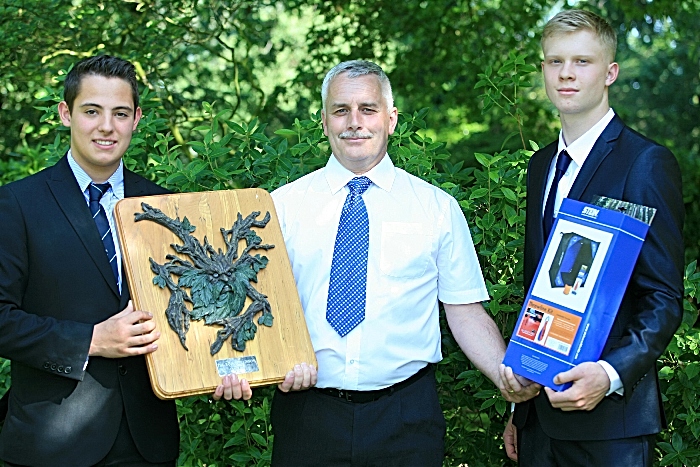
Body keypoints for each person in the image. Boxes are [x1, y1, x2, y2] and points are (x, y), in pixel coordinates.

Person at [269, 59, 539, 466]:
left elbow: (464, 312)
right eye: (341, 110)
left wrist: (506, 375)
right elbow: (258, 306)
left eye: (368, 109)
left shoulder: (436, 209)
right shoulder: (281, 207)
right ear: (323, 122)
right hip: (307, 415)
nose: (354, 122)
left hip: (405, 419)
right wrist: (265, 362)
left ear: (391, 119)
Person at [500, 9, 684, 466]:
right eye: (554, 61)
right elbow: (540, 288)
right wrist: (519, 409)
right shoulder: (540, 165)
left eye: (582, 61)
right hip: (539, 419)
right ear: (542, 69)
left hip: (610, 425)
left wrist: (609, 374)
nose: (566, 73)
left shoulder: (645, 163)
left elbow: (663, 297)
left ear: (610, 72)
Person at [0, 55, 180, 466]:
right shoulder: (16, 205)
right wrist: (91, 341)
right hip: (50, 444)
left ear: (136, 119)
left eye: (119, 113)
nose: (106, 126)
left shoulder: (165, 205)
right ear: (66, 113)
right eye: (92, 111)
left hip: (146, 444)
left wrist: (224, 365)